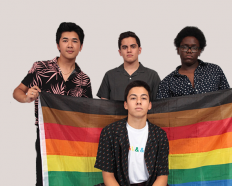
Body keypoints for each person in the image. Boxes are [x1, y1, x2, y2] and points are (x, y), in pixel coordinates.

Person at [12, 22, 92, 186]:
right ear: (58, 45)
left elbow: (87, 113)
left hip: (73, 138)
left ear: (81, 46)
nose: (70, 45)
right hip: (47, 136)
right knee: (46, 180)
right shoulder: (40, 68)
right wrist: (28, 97)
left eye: (75, 41)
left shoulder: (84, 79)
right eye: (65, 40)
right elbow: (17, 91)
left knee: (72, 180)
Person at [94, 80, 169, 186]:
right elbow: (108, 176)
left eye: (143, 98)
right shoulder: (109, 132)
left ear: (149, 105)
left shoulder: (160, 135)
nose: (138, 101)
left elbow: (162, 176)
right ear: (125, 104)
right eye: (133, 98)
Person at [156, 26, 232, 99]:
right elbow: (163, 113)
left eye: (194, 47)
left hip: (214, 127)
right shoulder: (167, 83)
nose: (189, 51)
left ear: (200, 51)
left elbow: (227, 99)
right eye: (185, 47)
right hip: (185, 128)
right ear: (178, 49)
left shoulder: (214, 71)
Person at [97, 31, 160, 101]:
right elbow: (103, 107)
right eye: (124, 47)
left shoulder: (152, 76)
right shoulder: (110, 75)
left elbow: (158, 106)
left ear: (139, 50)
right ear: (120, 52)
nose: (129, 50)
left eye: (133, 46)